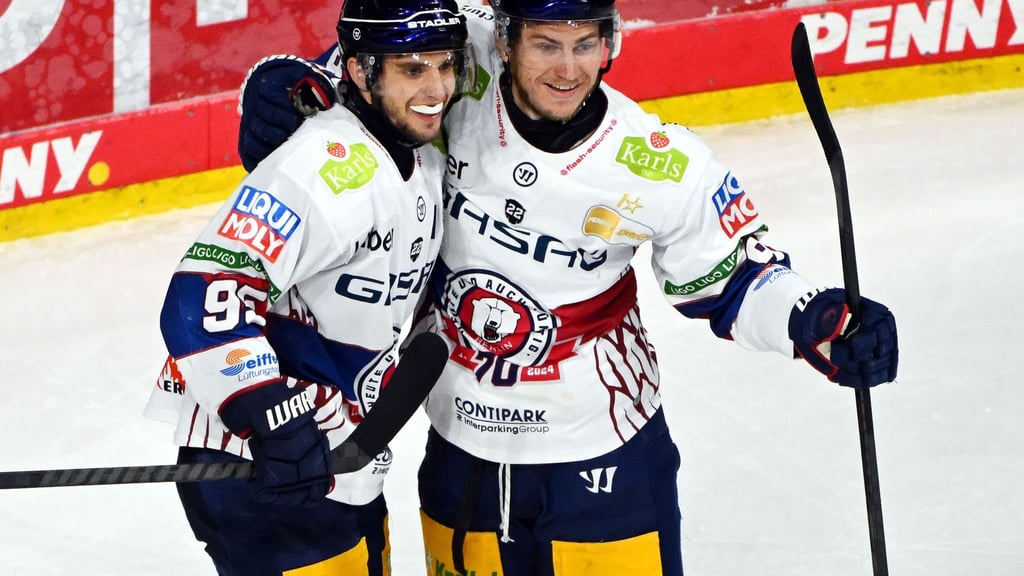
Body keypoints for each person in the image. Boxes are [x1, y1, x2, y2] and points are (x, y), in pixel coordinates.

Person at [237, 1, 899, 574]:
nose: (567, 68)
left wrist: (817, 321)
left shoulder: (660, 163)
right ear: (503, 41)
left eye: (586, 44)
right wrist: (277, 87)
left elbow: (738, 277)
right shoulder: (456, 71)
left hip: (604, 454)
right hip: (460, 452)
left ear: (610, 43)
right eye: (545, 44)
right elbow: (344, 77)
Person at [144, 1, 474, 575]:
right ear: (361, 72)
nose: (436, 88)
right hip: (260, 465)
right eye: (412, 69)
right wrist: (271, 414)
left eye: (444, 66)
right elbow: (203, 293)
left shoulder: (410, 149)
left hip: (336, 458)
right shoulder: (322, 169)